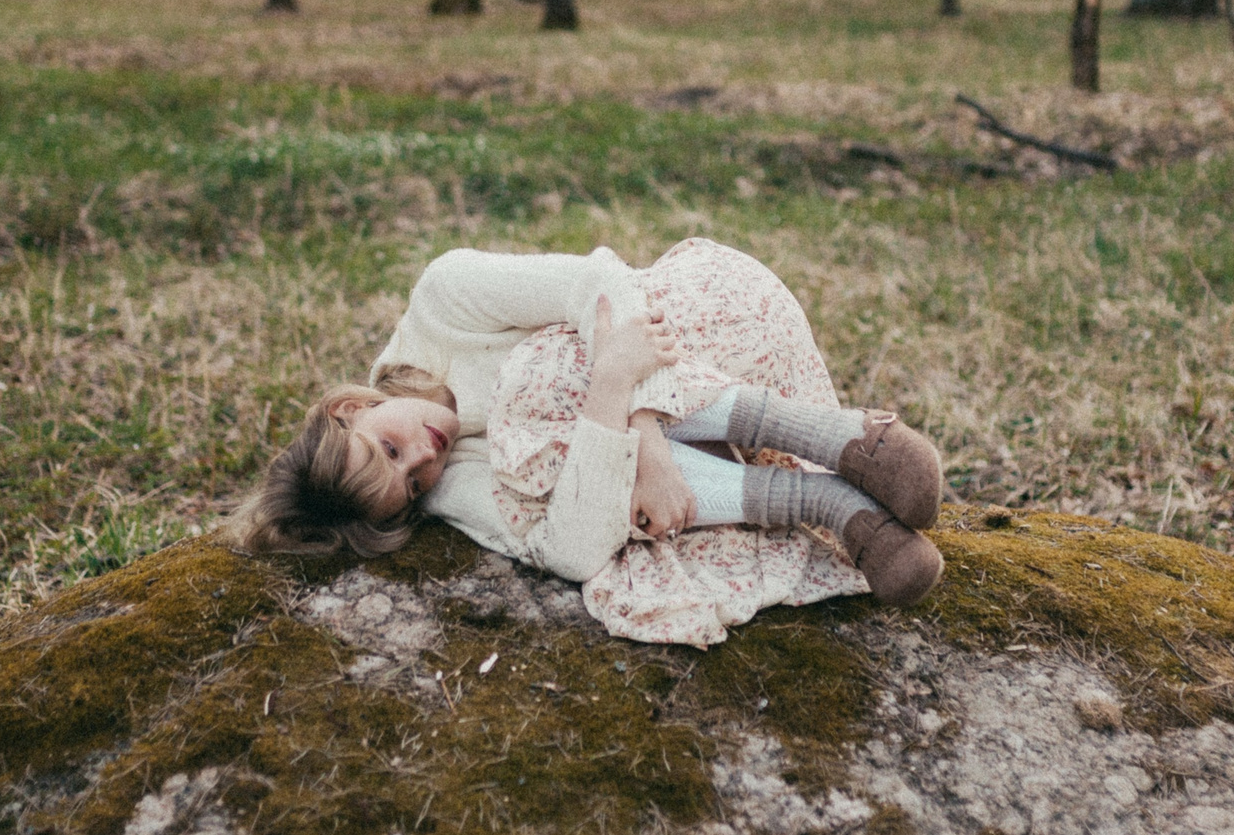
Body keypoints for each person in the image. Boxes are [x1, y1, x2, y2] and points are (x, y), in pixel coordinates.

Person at [229, 239, 944, 646]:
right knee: (559, 478)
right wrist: (613, 408)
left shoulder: (444, 299)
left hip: (701, 324)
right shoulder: (449, 486)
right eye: (411, 484)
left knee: (535, 380)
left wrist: (642, 427)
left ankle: (842, 439)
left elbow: (601, 284)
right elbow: (568, 549)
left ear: (353, 406)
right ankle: (828, 501)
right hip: (680, 433)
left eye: (388, 447)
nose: (427, 456)